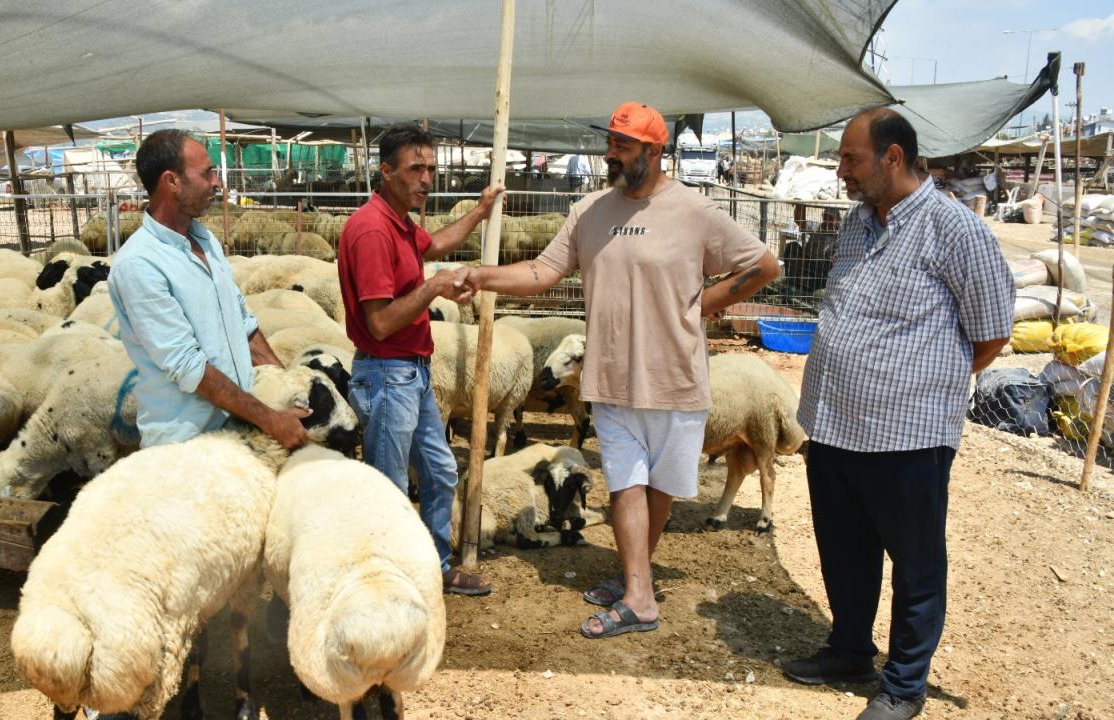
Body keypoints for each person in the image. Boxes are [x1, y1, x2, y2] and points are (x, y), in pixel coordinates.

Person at [455, 102, 780, 638]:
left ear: (654, 152)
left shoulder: (695, 212)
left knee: (658, 488)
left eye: (622, 146)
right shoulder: (589, 212)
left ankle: (638, 579)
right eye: (610, 143)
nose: (610, 154)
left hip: (674, 377)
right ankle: (638, 597)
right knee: (625, 484)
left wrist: (704, 304)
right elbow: (542, 271)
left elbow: (763, 265)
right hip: (610, 376)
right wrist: (481, 276)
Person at [784, 108, 1014, 720]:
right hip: (833, 424)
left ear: (892, 157)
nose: (841, 171)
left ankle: (905, 686)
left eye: (851, 159)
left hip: (907, 434)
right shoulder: (859, 224)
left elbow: (990, 335)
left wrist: (920, 382)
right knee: (844, 548)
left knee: (915, 565)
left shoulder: (955, 230)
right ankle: (849, 650)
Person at [337, 122, 503, 596]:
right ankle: (385, 585)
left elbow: (438, 245)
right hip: (387, 373)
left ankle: (431, 565)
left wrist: (480, 213)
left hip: (411, 372)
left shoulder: (401, 224)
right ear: (386, 171)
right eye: (416, 169)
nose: (427, 178)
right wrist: (433, 286)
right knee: (388, 489)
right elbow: (381, 323)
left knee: (440, 469)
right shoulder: (371, 231)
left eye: (431, 168)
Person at [108, 128, 309, 451]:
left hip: (239, 425)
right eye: (206, 173)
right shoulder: (139, 264)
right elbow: (189, 367)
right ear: (171, 181)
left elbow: (243, 323)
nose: (217, 182)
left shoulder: (205, 240)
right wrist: (270, 420)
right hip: (188, 445)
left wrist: (285, 387)